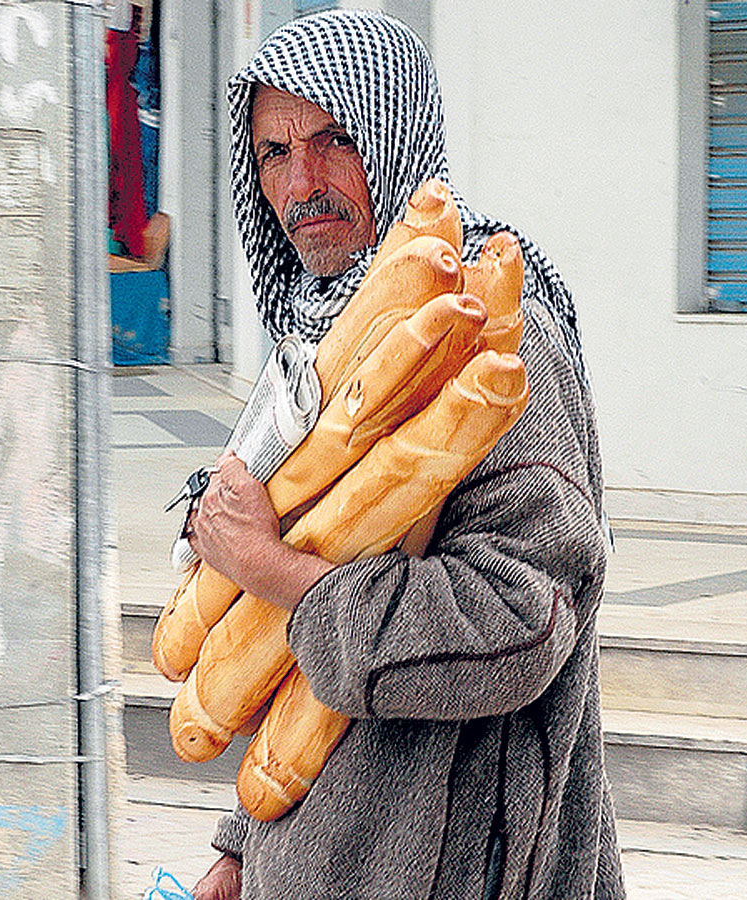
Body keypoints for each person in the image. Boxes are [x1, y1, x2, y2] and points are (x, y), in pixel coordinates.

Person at [184, 10, 623, 900]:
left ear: (395, 135)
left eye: (332, 140)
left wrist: (271, 567)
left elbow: (522, 621)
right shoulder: (312, 352)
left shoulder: (496, 337)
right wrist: (242, 844)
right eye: (273, 152)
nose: (301, 182)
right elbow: (285, 643)